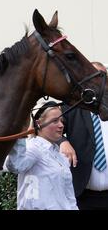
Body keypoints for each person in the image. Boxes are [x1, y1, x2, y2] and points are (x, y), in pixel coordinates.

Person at [4, 101, 78, 210]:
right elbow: (16, 165)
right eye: (55, 121)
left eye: (61, 121)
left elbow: (70, 198)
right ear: (38, 123)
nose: (61, 125)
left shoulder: (60, 155)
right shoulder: (34, 148)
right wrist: (20, 133)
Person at [59, 61, 108, 209]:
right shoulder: (72, 106)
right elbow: (48, 121)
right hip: (83, 195)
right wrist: (62, 141)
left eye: (103, 76)